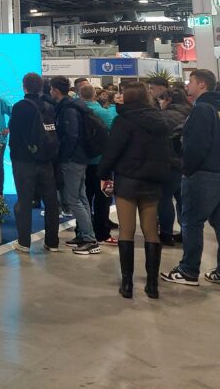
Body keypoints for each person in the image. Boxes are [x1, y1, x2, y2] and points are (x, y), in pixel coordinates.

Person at [161, 69, 220, 289]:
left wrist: (187, 169)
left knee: (191, 222)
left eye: (191, 82)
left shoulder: (202, 109)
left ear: (202, 84)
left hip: (204, 174)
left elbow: (196, 145)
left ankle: (188, 270)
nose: (187, 85)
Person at [98, 83, 172, 299]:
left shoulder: (123, 120)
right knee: (151, 231)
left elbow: (112, 150)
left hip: (128, 179)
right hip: (152, 181)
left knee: (126, 230)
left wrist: (103, 173)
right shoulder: (160, 120)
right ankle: (152, 285)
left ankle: (127, 284)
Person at [7, 72, 61, 253]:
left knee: (24, 201)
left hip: (24, 161)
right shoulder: (49, 106)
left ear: (24, 87)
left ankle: (24, 242)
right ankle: (52, 242)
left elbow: (15, 134)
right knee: (51, 202)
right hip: (46, 160)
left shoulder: (20, 107)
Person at [50, 76, 101, 255]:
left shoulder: (68, 109)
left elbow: (72, 136)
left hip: (73, 159)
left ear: (56, 90)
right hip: (80, 158)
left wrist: (63, 156)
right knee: (81, 197)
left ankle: (89, 239)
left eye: (52, 89)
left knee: (73, 199)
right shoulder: (75, 105)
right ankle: (85, 234)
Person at [79, 85, 116, 246]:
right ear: (95, 95)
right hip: (103, 163)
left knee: (83, 199)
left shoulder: (76, 110)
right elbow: (113, 131)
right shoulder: (103, 112)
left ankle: (82, 232)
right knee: (104, 198)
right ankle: (102, 233)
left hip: (83, 162)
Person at [156, 88, 189, 244]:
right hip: (187, 163)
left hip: (169, 162)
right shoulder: (191, 113)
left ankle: (166, 233)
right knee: (183, 200)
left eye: (162, 99)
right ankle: (185, 232)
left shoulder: (163, 117)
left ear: (168, 100)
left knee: (164, 198)